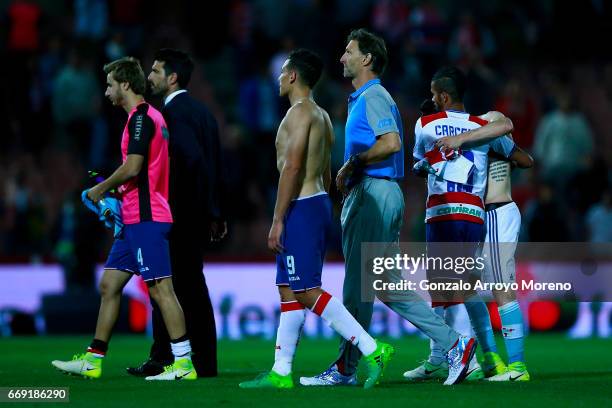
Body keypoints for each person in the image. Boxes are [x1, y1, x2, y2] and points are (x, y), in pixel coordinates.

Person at [300, 30, 476, 388]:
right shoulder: (366, 98)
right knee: (386, 285)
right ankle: (455, 343)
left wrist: (353, 163)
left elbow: (392, 143)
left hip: (373, 194)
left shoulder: (373, 95)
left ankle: (346, 368)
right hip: (380, 193)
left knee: (357, 287)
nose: (342, 58)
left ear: (367, 59)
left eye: (348, 52)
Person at [238, 48, 393, 390]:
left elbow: (292, 167)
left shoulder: (298, 114)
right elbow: (324, 167)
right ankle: (281, 371)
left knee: (307, 290)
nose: (278, 78)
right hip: (316, 201)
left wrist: (279, 219)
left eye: (282, 73)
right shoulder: (321, 115)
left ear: (293, 76)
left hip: (302, 206)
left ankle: (372, 348)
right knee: (288, 288)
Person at [51, 57, 196, 381]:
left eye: (110, 85)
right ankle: (93, 361)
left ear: (125, 85)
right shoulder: (142, 118)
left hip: (147, 217)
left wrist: (99, 190)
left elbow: (133, 167)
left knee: (161, 289)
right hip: (133, 218)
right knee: (109, 285)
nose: (105, 92)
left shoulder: (142, 118)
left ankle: (184, 364)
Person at [404, 66, 532, 382]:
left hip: (478, 211)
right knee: (464, 287)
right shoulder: (481, 126)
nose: (430, 100)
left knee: (486, 288)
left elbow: (423, 160)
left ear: (444, 95)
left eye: (434, 94)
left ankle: (509, 365)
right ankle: (486, 359)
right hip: (476, 212)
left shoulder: (462, 124)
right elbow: (521, 157)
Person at [126, 48, 225, 378]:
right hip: (198, 213)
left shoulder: (172, 114)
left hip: (177, 214)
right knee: (192, 287)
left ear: (172, 78)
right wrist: (214, 211)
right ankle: (203, 361)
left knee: (165, 285)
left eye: (155, 71)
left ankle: (167, 358)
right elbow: (215, 166)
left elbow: (192, 162)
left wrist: (170, 205)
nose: (149, 76)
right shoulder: (203, 113)